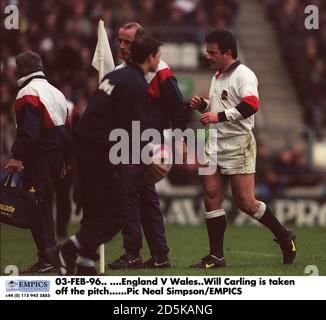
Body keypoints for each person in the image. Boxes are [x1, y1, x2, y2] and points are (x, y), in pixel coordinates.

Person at [46, 36, 162, 276]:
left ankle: (85, 265)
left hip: (87, 149)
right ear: (150, 57)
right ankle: (67, 250)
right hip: (100, 153)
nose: (159, 60)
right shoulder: (136, 83)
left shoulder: (116, 77)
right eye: (158, 56)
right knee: (116, 214)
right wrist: (148, 156)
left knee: (97, 211)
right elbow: (132, 126)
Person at [189, 30, 296, 268]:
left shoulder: (244, 74)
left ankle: (284, 236)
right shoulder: (218, 75)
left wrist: (217, 115)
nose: (208, 56)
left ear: (228, 52)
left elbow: (251, 105)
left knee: (246, 202)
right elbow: (223, 106)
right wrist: (205, 106)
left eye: (212, 52)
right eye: (207, 51)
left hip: (238, 145)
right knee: (211, 197)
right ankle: (216, 256)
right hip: (215, 144)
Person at [107, 22, 186, 270]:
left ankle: (133, 253)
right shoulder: (122, 70)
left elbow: (178, 107)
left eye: (127, 42)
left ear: (140, 43)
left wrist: (175, 142)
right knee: (145, 200)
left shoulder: (159, 71)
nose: (121, 46)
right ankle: (159, 256)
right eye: (120, 40)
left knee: (129, 197)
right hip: (126, 142)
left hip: (145, 145)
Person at [4, 51, 71, 273]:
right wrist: (62, 162)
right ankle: (49, 258)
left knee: (38, 209)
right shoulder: (58, 93)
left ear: (22, 70)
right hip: (55, 157)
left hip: (39, 159)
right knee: (43, 207)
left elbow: (30, 133)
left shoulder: (28, 92)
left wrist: (17, 156)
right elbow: (66, 134)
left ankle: (48, 260)